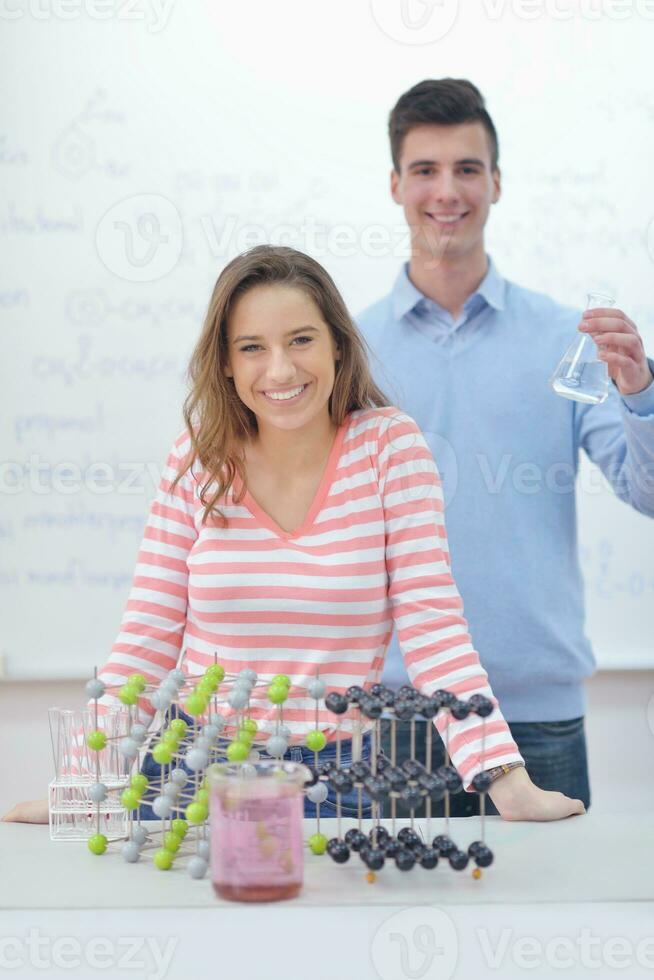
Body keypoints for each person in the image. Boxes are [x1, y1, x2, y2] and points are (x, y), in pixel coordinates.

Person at [3, 245, 586, 826]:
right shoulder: (198, 456)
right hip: (192, 771)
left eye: (301, 340)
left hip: (333, 780)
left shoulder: (389, 447)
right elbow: (147, 637)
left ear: (337, 343)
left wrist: (503, 781)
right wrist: (80, 784)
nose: (280, 369)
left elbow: (433, 629)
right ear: (226, 363)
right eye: (252, 347)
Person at [355, 78, 654, 818]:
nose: (446, 190)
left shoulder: (568, 340)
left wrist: (642, 394)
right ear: (395, 185)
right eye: (424, 169)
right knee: (376, 928)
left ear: (496, 182)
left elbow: (646, 493)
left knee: (556, 934)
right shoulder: (348, 350)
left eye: (467, 168)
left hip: (535, 714)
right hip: (394, 716)